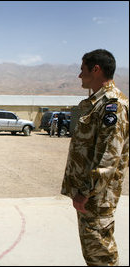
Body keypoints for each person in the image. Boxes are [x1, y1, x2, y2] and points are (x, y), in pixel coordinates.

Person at [60, 49, 129, 266]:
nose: (80, 76)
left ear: (96, 69)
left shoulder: (112, 105)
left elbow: (109, 158)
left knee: (101, 254)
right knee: (93, 252)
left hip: (97, 198)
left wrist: (86, 192)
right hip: (90, 196)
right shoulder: (97, 103)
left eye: (83, 70)